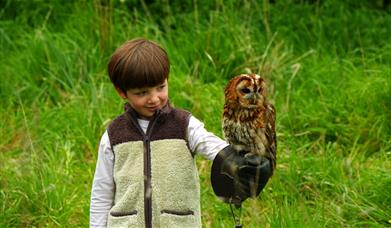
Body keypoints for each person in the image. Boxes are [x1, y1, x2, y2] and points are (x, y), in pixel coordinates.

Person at [89, 38, 272, 227]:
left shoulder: (183, 124)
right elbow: (101, 194)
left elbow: (207, 142)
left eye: (160, 87)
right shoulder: (113, 135)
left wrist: (235, 158)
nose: (154, 98)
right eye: (142, 93)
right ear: (122, 92)